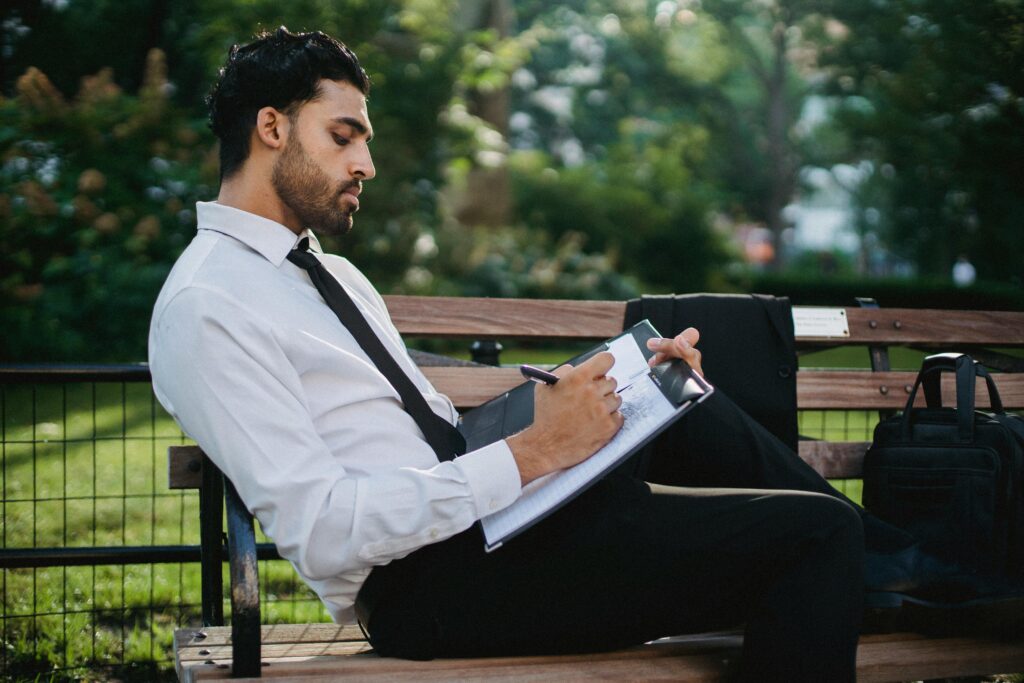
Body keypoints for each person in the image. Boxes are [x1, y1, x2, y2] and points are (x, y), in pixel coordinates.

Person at [148, 28, 1012, 682]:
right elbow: (325, 528)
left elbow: (431, 428)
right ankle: (912, 573)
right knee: (816, 537)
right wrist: (533, 454)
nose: (366, 161)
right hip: (432, 589)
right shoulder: (207, 307)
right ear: (271, 127)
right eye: (344, 136)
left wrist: (597, 392)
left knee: (669, 384)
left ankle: (912, 569)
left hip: (491, 527)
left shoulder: (328, 274)